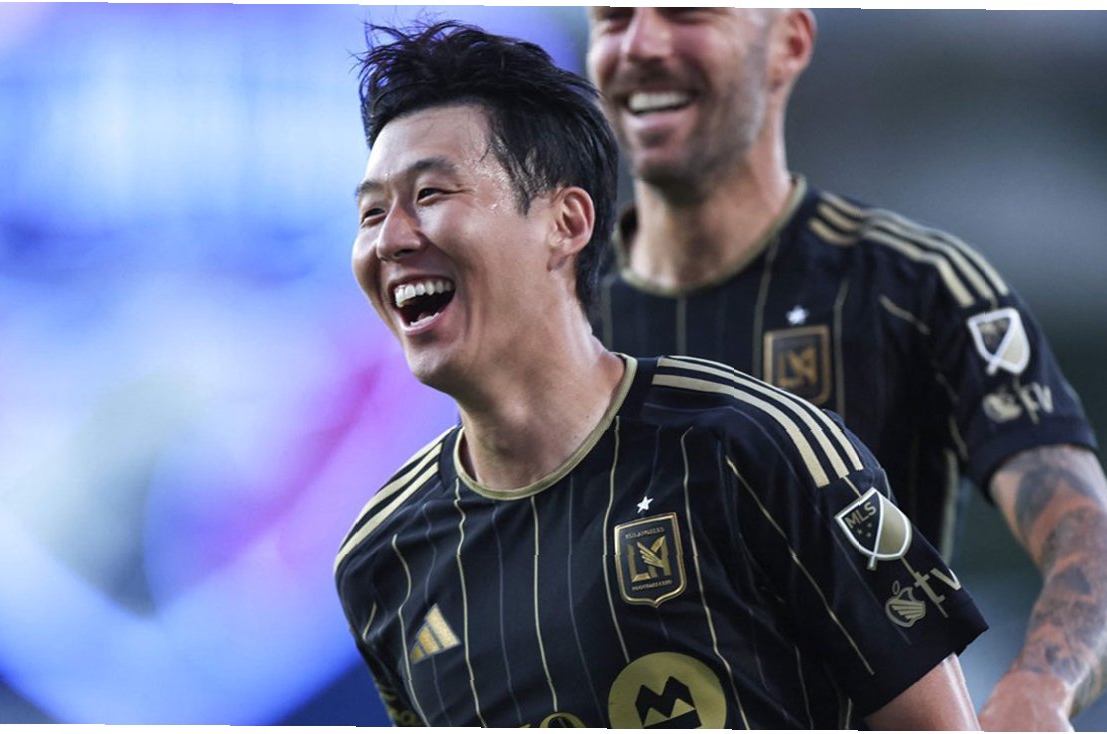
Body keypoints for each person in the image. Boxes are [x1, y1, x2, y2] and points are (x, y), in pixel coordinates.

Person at [335, 20, 987, 729]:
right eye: (372, 212)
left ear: (566, 222)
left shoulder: (751, 451)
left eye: (431, 194)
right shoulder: (382, 559)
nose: (389, 239)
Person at [585, 7, 1107, 731]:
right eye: (613, 18)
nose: (641, 43)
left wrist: (1037, 690)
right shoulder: (554, 312)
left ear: (788, 43)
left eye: (685, 13)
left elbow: (1097, 539)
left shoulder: (916, 287)